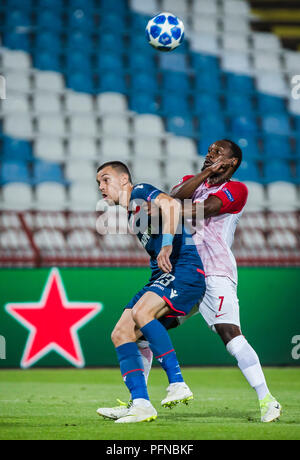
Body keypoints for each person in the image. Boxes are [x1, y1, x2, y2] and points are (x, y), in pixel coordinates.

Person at [105, 139, 282, 423]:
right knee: (140, 332)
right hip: (181, 270)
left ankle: (267, 399)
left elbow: (206, 208)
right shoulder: (192, 181)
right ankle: (138, 403)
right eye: (209, 151)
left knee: (230, 334)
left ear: (232, 162)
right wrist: (201, 175)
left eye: (217, 153)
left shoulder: (237, 189)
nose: (210, 154)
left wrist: (164, 208)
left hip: (214, 271)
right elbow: (175, 196)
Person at [95, 161, 206, 423]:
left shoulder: (139, 191)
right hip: (162, 275)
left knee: (143, 312)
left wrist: (167, 245)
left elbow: (172, 205)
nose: (101, 186)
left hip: (184, 269)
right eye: (98, 182)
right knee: (121, 333)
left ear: (124, 180)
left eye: (105, 179)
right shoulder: (132, 212)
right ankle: (141, 404)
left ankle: (178, 382)